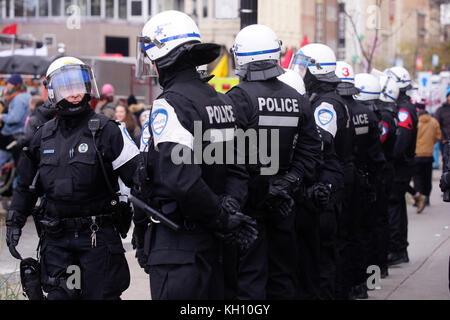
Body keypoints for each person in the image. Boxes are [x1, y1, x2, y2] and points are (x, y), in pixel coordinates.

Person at [133, 10, 258, 300]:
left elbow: (181, 180)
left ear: (163, 56)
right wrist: (228, 210)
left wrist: (219, 215)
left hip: (181, 247)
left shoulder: (170, 104)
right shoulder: (221, 100)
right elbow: (238, 169)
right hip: (217, 245)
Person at [5, 56, 140, 300]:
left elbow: (140, 179)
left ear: (88, 86)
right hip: (57, 242)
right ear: (53, 91)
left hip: (97, 239)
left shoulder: (108, 130)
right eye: (67, 87)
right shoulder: (42, 136)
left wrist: (145, 224)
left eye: (79, 86)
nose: (75, 94)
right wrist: (15, 220)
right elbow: (26, 186)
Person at [226, 27, 322, 300]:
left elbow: (231, 155)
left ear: (242, 56)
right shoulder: (298, 98)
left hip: (249, 204)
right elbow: (311, 151)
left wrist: (263, 188)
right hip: (284, 202)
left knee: (249, 277)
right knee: (283, 275)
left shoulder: (238, 97)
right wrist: (287, 183)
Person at [290, 43, 349, 300]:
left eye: (304, 68)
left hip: (326, 188)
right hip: (326, 184)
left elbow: (320, 141)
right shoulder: (321, 100)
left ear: (318, 72)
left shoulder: (326, 104)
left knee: (321, 261)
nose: (300, 72)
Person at [351, 73, 386, 298]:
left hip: (357, 179)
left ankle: (366, 282)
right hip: (372, 177)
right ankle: (371, 281)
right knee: (370, 231)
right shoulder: (372, 115)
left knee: (359, 234)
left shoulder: (350, 111)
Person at [385, 66, 418, 267]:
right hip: (401, 166)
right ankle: (399, 248)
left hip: (400, 167)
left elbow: (403, 139)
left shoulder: (404, 109)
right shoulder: (403, 106)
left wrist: (391, 156)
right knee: (396, 206)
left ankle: (397, 249)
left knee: (394, 206)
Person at [334, 61, 360, 299]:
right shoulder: (356, 109)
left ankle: (345, 289)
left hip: (340, 177)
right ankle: (358, 285)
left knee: (340, 238)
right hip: (355, 174)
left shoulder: (332, 106)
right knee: (354, 233)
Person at [413, 100, 441, 213]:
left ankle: (419, 198)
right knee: (427, 177)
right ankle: (427, 197)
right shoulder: (434, 122)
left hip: (417, 154)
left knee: (417, 177)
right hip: (429, 154)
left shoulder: (415, 122)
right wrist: (430, 143)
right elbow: (438, 137)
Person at [0, 74, 31, 166]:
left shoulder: (18, 98)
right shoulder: (27, 95)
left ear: (14, 85)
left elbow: (14, 118)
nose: (7, 86)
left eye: (8, 83)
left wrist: (2, 116)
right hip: (21, 135)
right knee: (17, 163)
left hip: (11, 135)